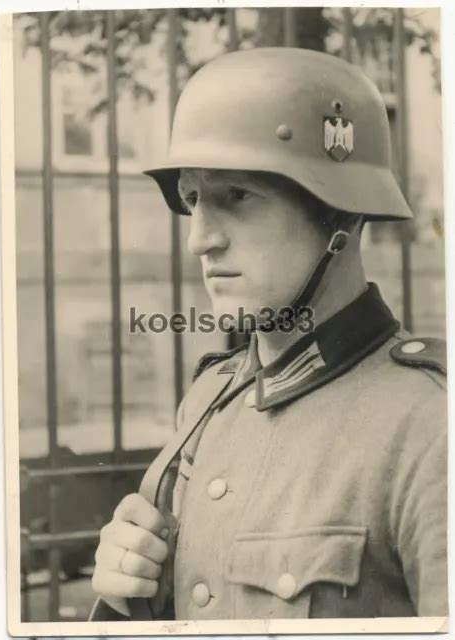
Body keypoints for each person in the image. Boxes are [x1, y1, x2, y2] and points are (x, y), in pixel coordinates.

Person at [90, 47, 447, 621]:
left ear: (343, 216)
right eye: (193, 199)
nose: (199, 239)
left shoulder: (431, 427)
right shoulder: (210, 401)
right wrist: (127, 596)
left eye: (238, 196)